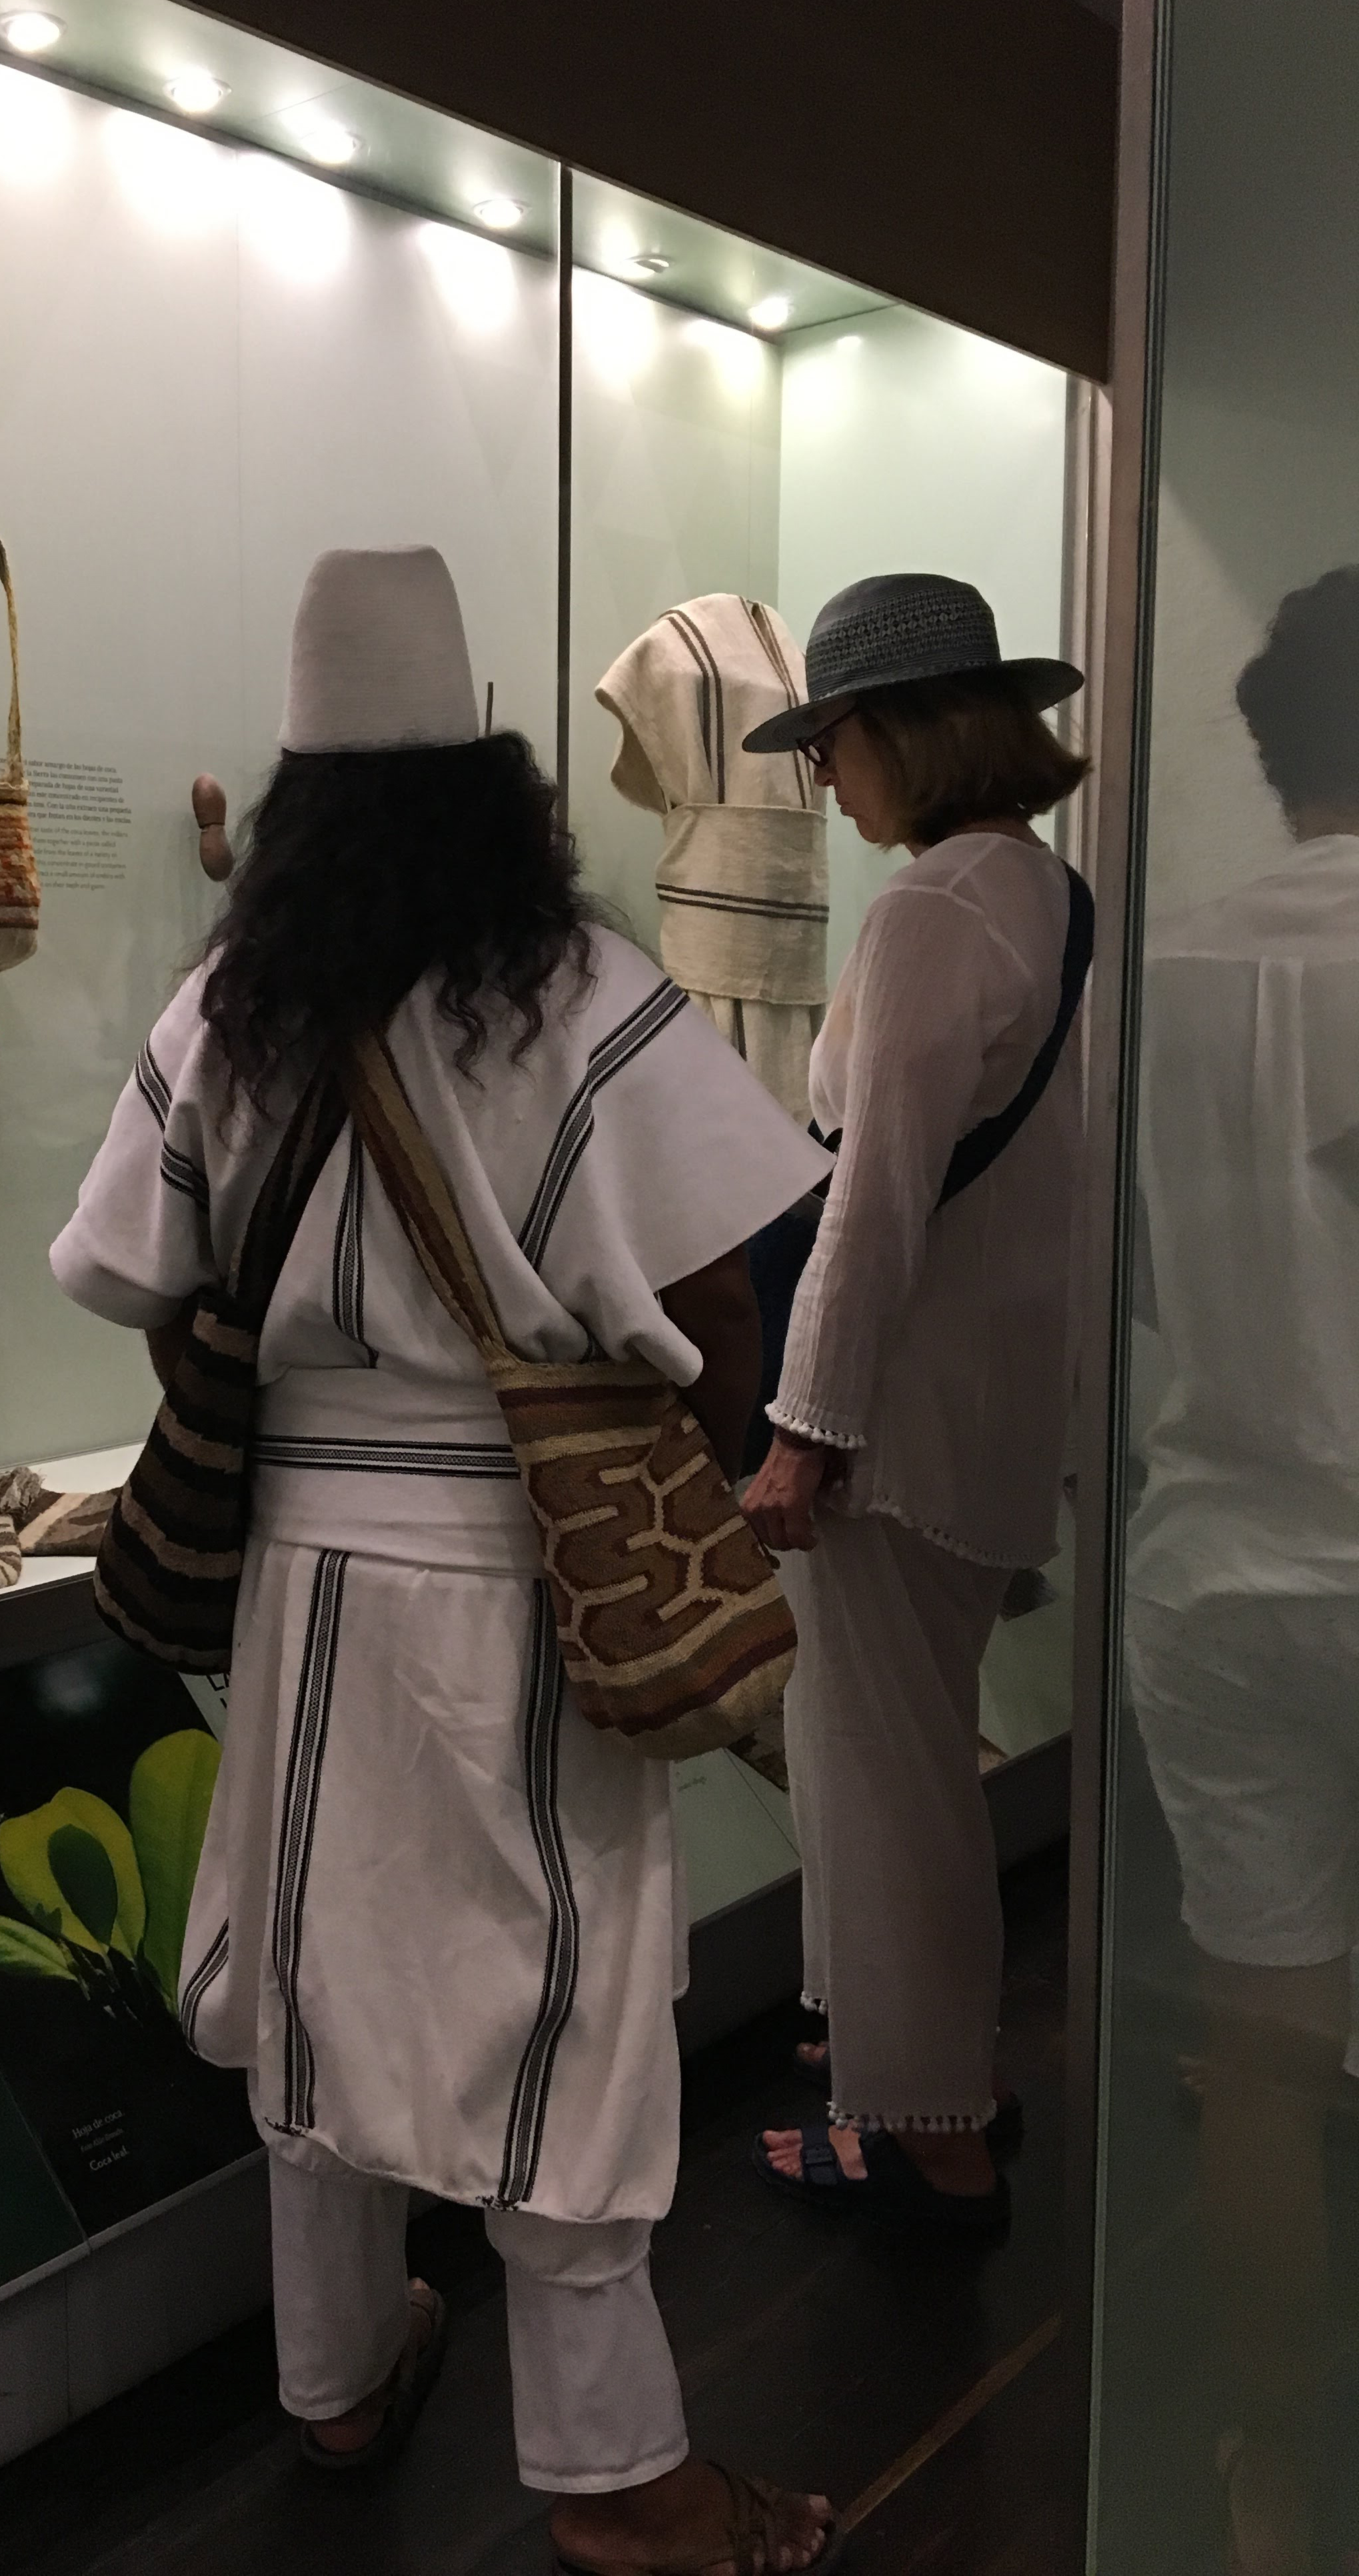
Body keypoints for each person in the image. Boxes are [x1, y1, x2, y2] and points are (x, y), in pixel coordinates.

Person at [53, 547, 841, 2574]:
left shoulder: (232, 1004)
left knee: (320, 1977)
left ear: (297, 787)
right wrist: (693, 1467)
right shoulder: (581, 992)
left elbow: (136, 1281)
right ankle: (617, 2485)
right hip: (532, 1574)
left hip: (298, 1583)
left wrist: (294, 1414)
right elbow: (727, 1290)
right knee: (558, 1994)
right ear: (498, 773)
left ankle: (331, 2384)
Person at [737, 574, 1088, 2236]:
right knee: (915, 1772)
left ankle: (929, 2136)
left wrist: (805, 1432)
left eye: (836, 741)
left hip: (899, 1428)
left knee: (883, 1794)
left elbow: (871, 1206)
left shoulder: (929, 915)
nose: (829, 778)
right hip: (990, 1416)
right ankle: (929, 2078)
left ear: (899, 732)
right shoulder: (1049, 897)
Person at [1124, 566, 1359, 2575]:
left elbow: (1141, 1292)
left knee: (1262, 2068)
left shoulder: (1176, 972)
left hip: (1218, 1576)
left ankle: (1272, 2494)